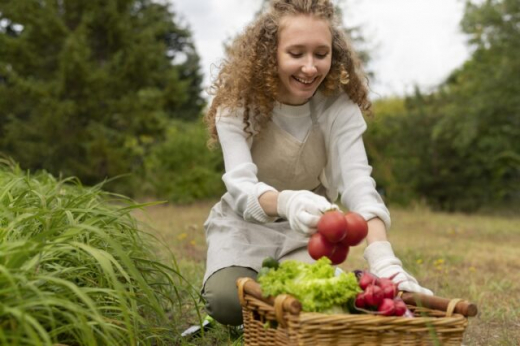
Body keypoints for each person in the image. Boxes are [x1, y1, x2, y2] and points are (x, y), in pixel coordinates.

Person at [201, 0, 433, 327]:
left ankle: (273, 317)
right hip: (245, 226)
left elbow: (358, 186)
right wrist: (287, 200)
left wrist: (384, 260)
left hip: (308, 233)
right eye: (296, 54)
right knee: (227, 302)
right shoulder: (239, 104)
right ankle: (250, 312)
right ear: (271, 54)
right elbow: (240, 187)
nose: (310, 68)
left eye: (320, 55)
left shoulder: (339, 108)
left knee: (322, 307)